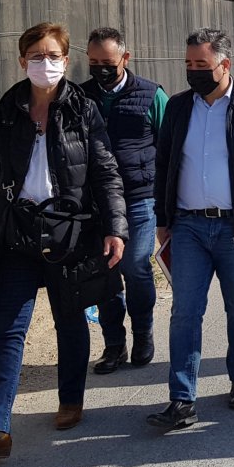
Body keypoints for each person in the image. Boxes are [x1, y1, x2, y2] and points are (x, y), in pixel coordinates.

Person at [0, 23, 128, 459]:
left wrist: (115, 228)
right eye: (36, 56)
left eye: (53, 56)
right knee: (9, 328)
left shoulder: (83, 109)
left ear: (66, 61)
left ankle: (70, 399)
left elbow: (106, 173)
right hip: (16, 232)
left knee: (69, 320)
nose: (45, 64)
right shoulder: (7, 110)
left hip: (68, 232)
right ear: (22, 61)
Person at [146, 28, 234, 430]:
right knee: (185, 312)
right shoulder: (177, 108)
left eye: (202, 65)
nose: (193, 72)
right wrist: (162, 218)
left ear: (225, 65)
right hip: (189, 227)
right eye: (189, 64)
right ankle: (182, 399)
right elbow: (164, 166)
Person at [81, 27, 169, 374]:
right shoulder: (79, 97)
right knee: (105, 271)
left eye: (107, 62)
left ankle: (143, 333)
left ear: (125, 59)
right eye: (93, 62)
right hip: (97, 203)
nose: (100, 68)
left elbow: (170, 149)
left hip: (139, 199)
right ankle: (113, 345)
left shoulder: (151, 95)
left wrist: (167, 205)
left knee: (134, 265)